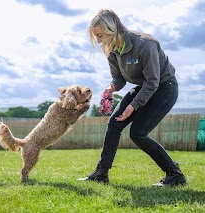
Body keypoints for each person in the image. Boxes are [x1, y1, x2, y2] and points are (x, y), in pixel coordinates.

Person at [78, 9, 186, 187]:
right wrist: (111, 88)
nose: (98, 40)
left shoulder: (145, 44)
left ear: (111, 29)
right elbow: (119, 79)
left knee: (138, 133)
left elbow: (153, 81)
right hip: (145, 87)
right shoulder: (112, 50)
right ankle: (101, 173)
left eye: (100, 35)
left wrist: (134, 105)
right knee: (114, 124)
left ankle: (175, 175)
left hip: (164, 88)